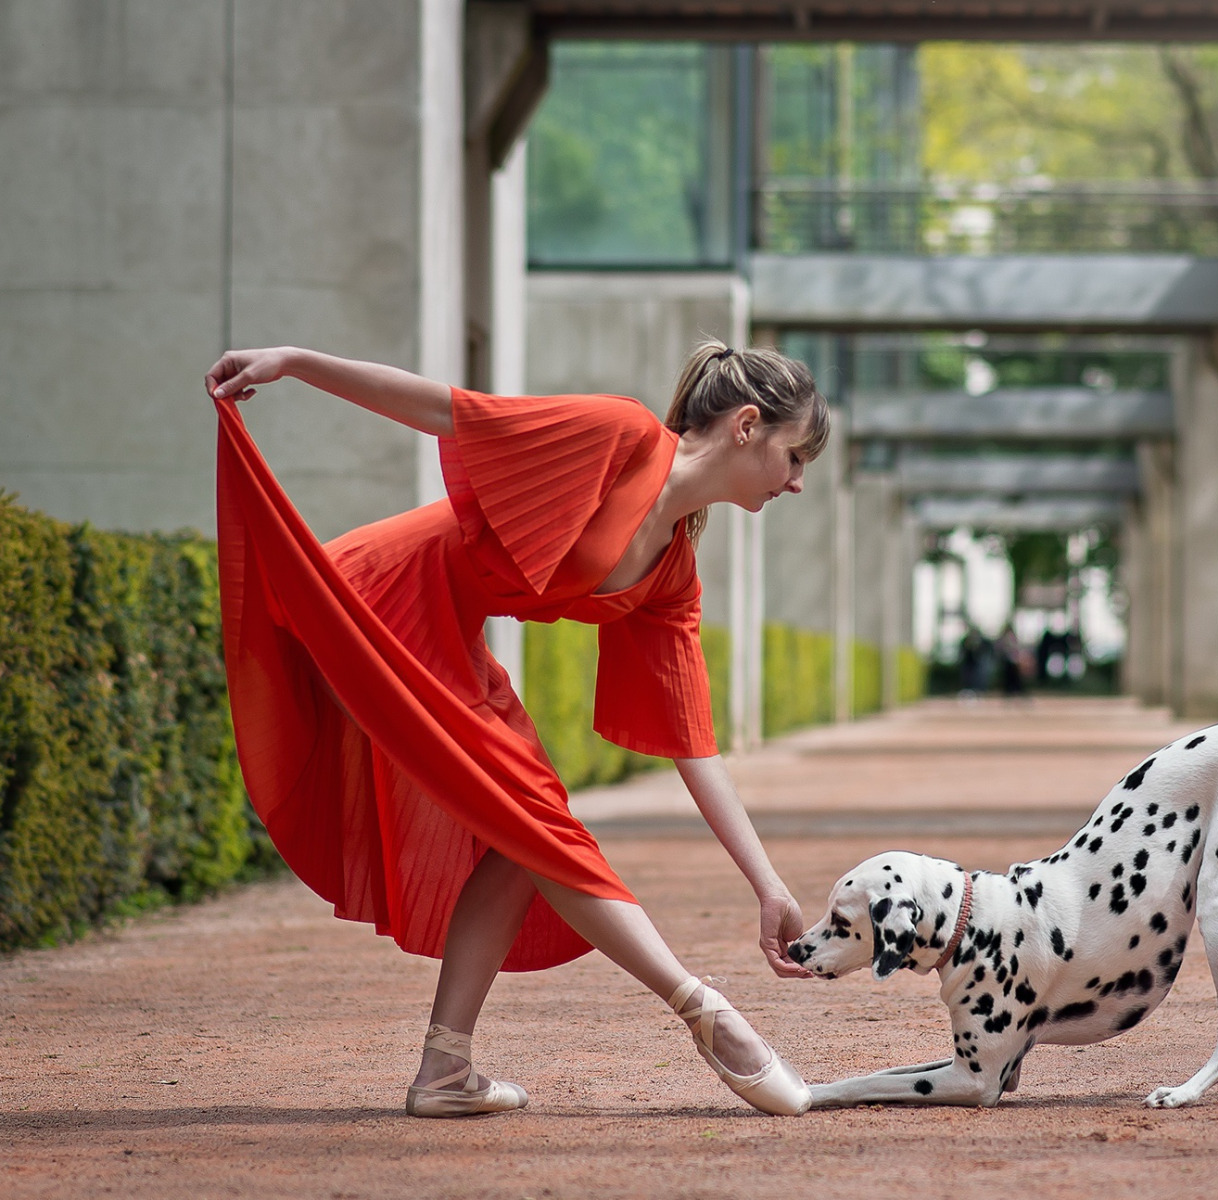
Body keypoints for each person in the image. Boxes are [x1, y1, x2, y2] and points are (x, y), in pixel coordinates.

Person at [204, 341, 827, 1118]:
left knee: (519, 841)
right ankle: (706, 1013)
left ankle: (443, 1073)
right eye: (795, 456)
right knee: (542, 826)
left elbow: (692, 744)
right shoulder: (619, 435)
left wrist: (766, 886)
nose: (798, 481)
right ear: (746, 426)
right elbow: (448, 412)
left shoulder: (671, 574)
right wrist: (297, 363)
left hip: (444, 636)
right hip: (384, 597)